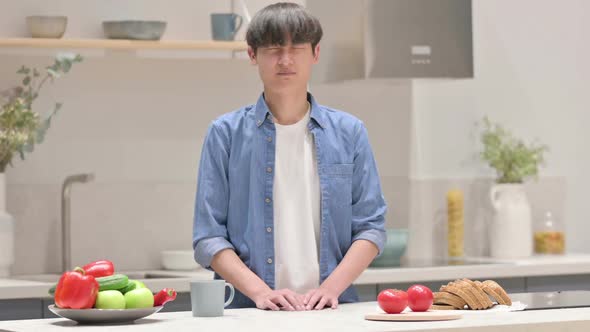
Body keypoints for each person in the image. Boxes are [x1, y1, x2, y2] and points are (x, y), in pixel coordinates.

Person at [192, 2, 386, 311]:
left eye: (296, 47)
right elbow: (208, 237)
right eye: (273, 49)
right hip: (249, 312)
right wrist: (260, 292)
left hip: (333, 312)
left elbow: (371, 227)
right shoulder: (224, 134)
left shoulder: (350, 132)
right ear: (252, 55)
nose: (285, 60)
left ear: (315, 54)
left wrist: (329, 289)